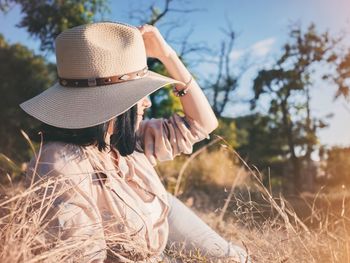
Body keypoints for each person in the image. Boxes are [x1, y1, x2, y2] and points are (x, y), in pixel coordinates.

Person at [20, 22, 251, 263]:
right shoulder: (61, 164)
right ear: (112, 103)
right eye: (139, 94)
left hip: (162, 218)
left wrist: (166, 55)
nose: (148, 103)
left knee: (236, 259)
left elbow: (203, 124)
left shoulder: (125, 140)